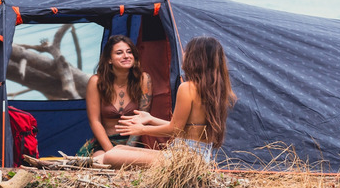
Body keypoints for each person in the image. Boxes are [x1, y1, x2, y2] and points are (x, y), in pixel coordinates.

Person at [101, 36, 236, 168]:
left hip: (182, 159)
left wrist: (142, 129)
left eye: (186, 51)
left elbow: (174, 130)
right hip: (198, 159)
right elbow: (185, 127)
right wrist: (151, 119)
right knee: (118, 148)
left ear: (196, 58)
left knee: (110, 156)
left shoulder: (187, 88)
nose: (182, 54)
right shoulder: (215, 90)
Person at [80, 35, 152, 162]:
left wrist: (126, 152)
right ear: (109, 60)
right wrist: (112, 152)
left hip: (133, 144)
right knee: (99, 160)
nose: (126, 56)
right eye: (119, 53)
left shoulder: (143, 80)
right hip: (104, 144)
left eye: (129, 52)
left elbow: (143, 119)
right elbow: (94, 122)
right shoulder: (96, 82)